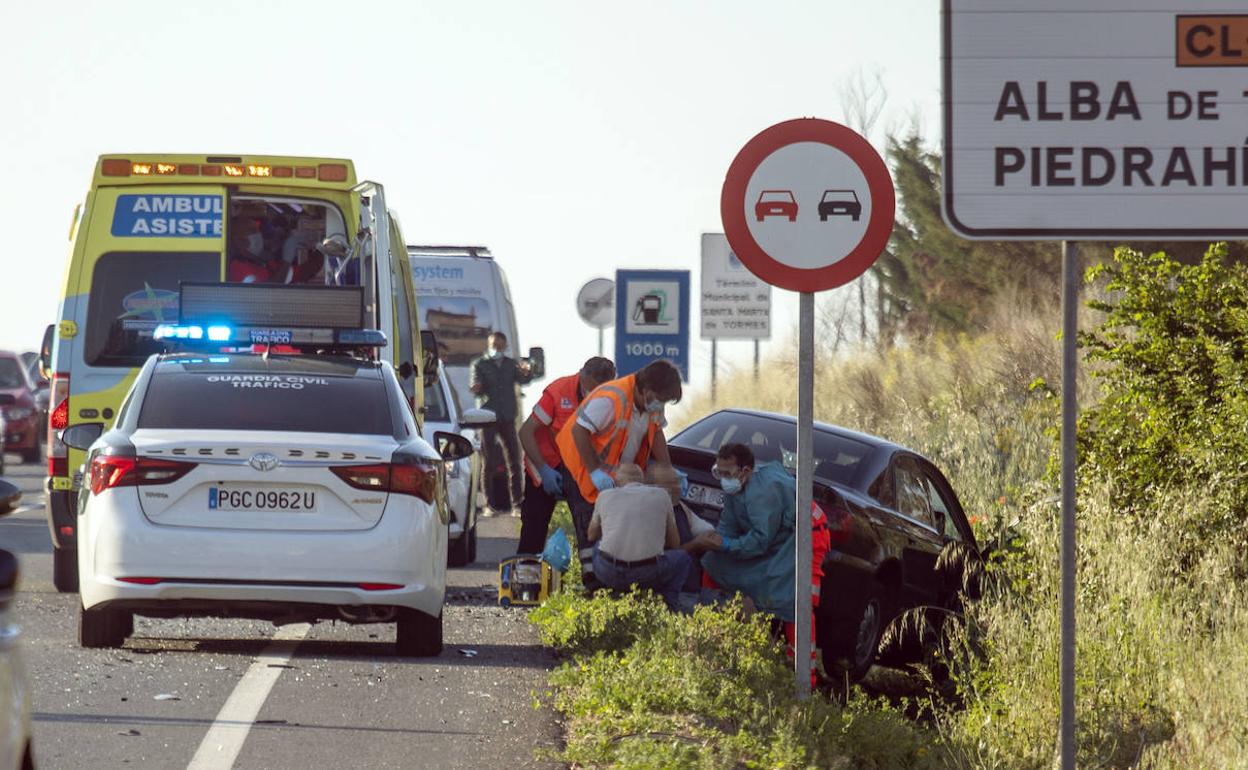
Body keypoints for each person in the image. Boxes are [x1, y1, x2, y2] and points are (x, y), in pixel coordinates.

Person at [555, 358, 683, 585]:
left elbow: (657, 435)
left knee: (613, 527)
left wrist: (668, 469)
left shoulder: (651, 403)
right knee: (589, 528)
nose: (661, 407)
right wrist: (595, 472)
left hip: (615, 474)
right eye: (660, 400)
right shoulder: (610, 398)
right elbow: (579, 431)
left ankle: (611, 585)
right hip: (582, 467)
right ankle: (592, 587)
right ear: (645, 391)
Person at [515, 356, 616, 554]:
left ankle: (591, 575)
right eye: (593, 388)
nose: (595, 394)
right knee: (534, 526)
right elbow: (526, 432)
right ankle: (526, 575)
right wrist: (544, 470)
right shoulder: (559, 391)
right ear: (583, 376)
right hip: (545, 463)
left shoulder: (610, 397)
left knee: (588, 524)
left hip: (579, 465)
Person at [691, 442, 798, 622]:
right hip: (767, 540)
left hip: (796, 540)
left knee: (780, 591)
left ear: (745, 471)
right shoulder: (736, 487)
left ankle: (793, 647)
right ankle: (709, 620)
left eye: (727, 473)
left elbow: (760, 539)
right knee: (712, 562)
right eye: (719, 472)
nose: (723, 479)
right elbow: (728, 523)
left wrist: (727, 545)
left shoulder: (762, 492)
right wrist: (718, 539)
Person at [586, 464, 691, 610]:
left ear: (616, 481)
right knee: (683, 558)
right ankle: (669, 605)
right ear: (643, 480)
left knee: (597, 546)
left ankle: (605, 599)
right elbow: (675, 543)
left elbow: (591, 535)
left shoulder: (604, 496)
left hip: (609, 572)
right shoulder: (662, 495)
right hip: (648, 574)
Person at [469, 331, 534, 513]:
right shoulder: (480, 364)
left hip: (507, 417)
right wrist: (477, 388)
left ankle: (517, 504)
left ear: (505, 347)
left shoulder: (511, 364)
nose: (495, 349)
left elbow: (524, 380)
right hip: (488, 417)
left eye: (499, 345)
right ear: (488, 345)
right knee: (488, 461)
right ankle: (488, 505)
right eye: (493, 345)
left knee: (514, 460)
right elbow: (476, 388)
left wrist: (527, 371)